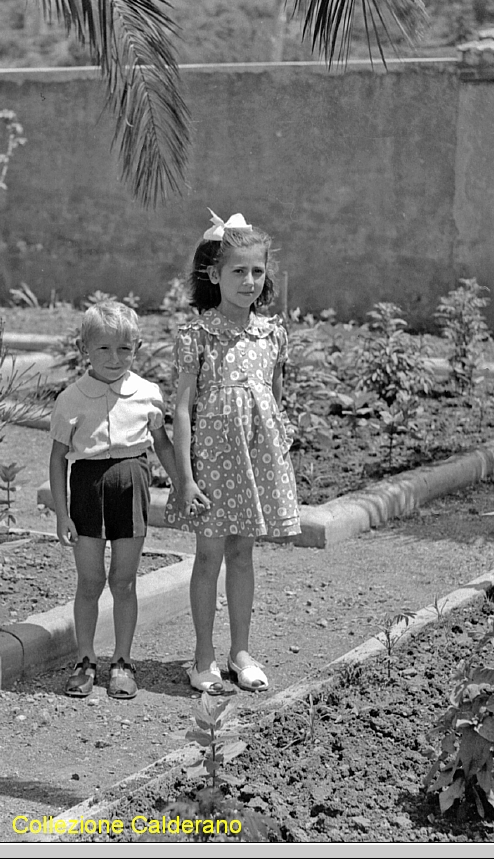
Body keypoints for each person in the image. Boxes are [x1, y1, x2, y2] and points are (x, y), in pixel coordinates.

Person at [164, 210, 301, 694]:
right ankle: (203, 657)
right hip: (212, 463)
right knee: (208, 557)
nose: (249, 281)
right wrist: (186, 477)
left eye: (257, 272)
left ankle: (240, 651)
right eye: (238, 271)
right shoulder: (197, 334)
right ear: (214, 274)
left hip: (255, 461)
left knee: (243, 553)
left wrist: (277, 456)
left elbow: (274, 399)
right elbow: (182, 411)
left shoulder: (272, 333)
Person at [49, 301, 178, 700]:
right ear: (85, 348)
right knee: (90, 581)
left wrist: (182, 485)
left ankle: (122, 661)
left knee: (124, 581)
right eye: (104, 348)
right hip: (87, 489)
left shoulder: (148, 394)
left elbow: (162, 444)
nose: (115, 358)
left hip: (132, 487)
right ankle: (85, 659)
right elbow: (57, 458)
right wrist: (62, 514)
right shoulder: (71, 398)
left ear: (136, 348)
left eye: (125, 348)